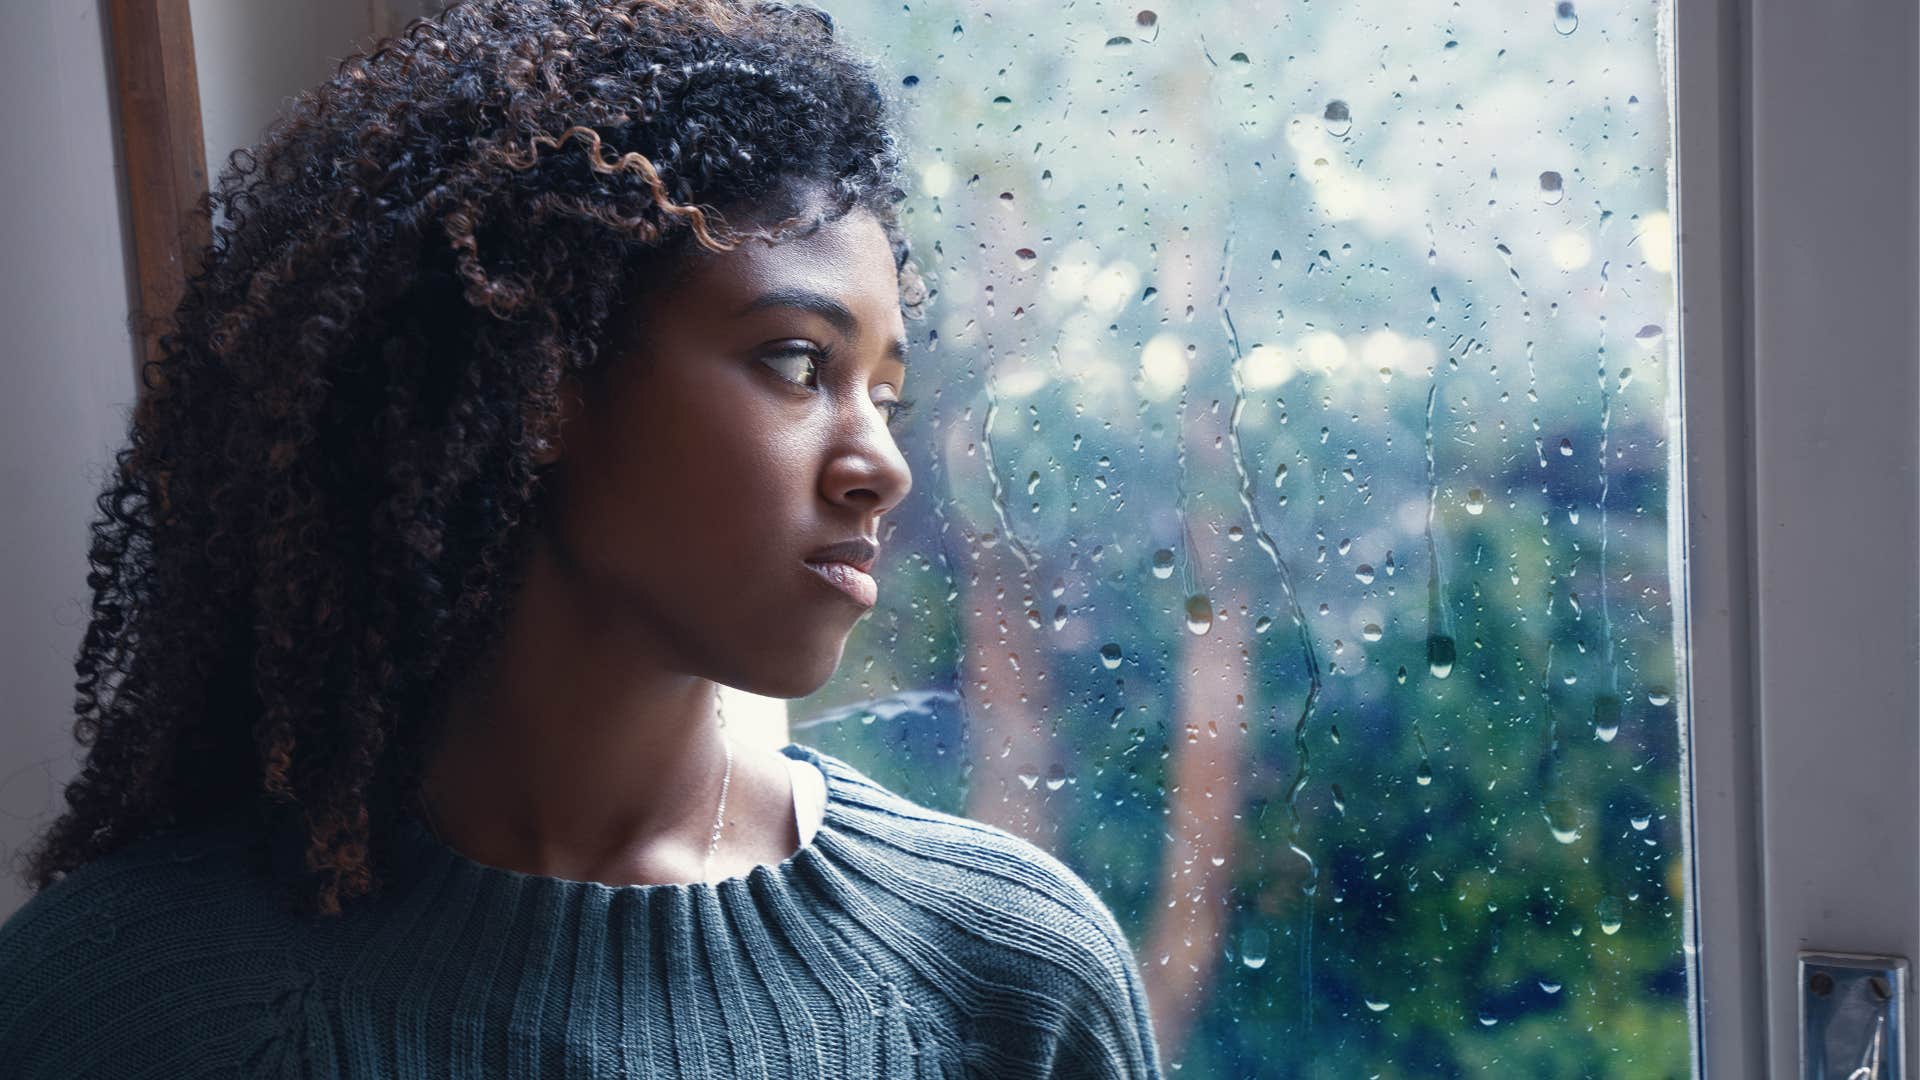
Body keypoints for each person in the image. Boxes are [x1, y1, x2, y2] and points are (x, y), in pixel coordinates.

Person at [0, 1, 1165, 1076]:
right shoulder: (132, 1003)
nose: (881, 466)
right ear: (543, 380)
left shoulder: (1010, 982)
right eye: (799, 364)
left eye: (886, 392)